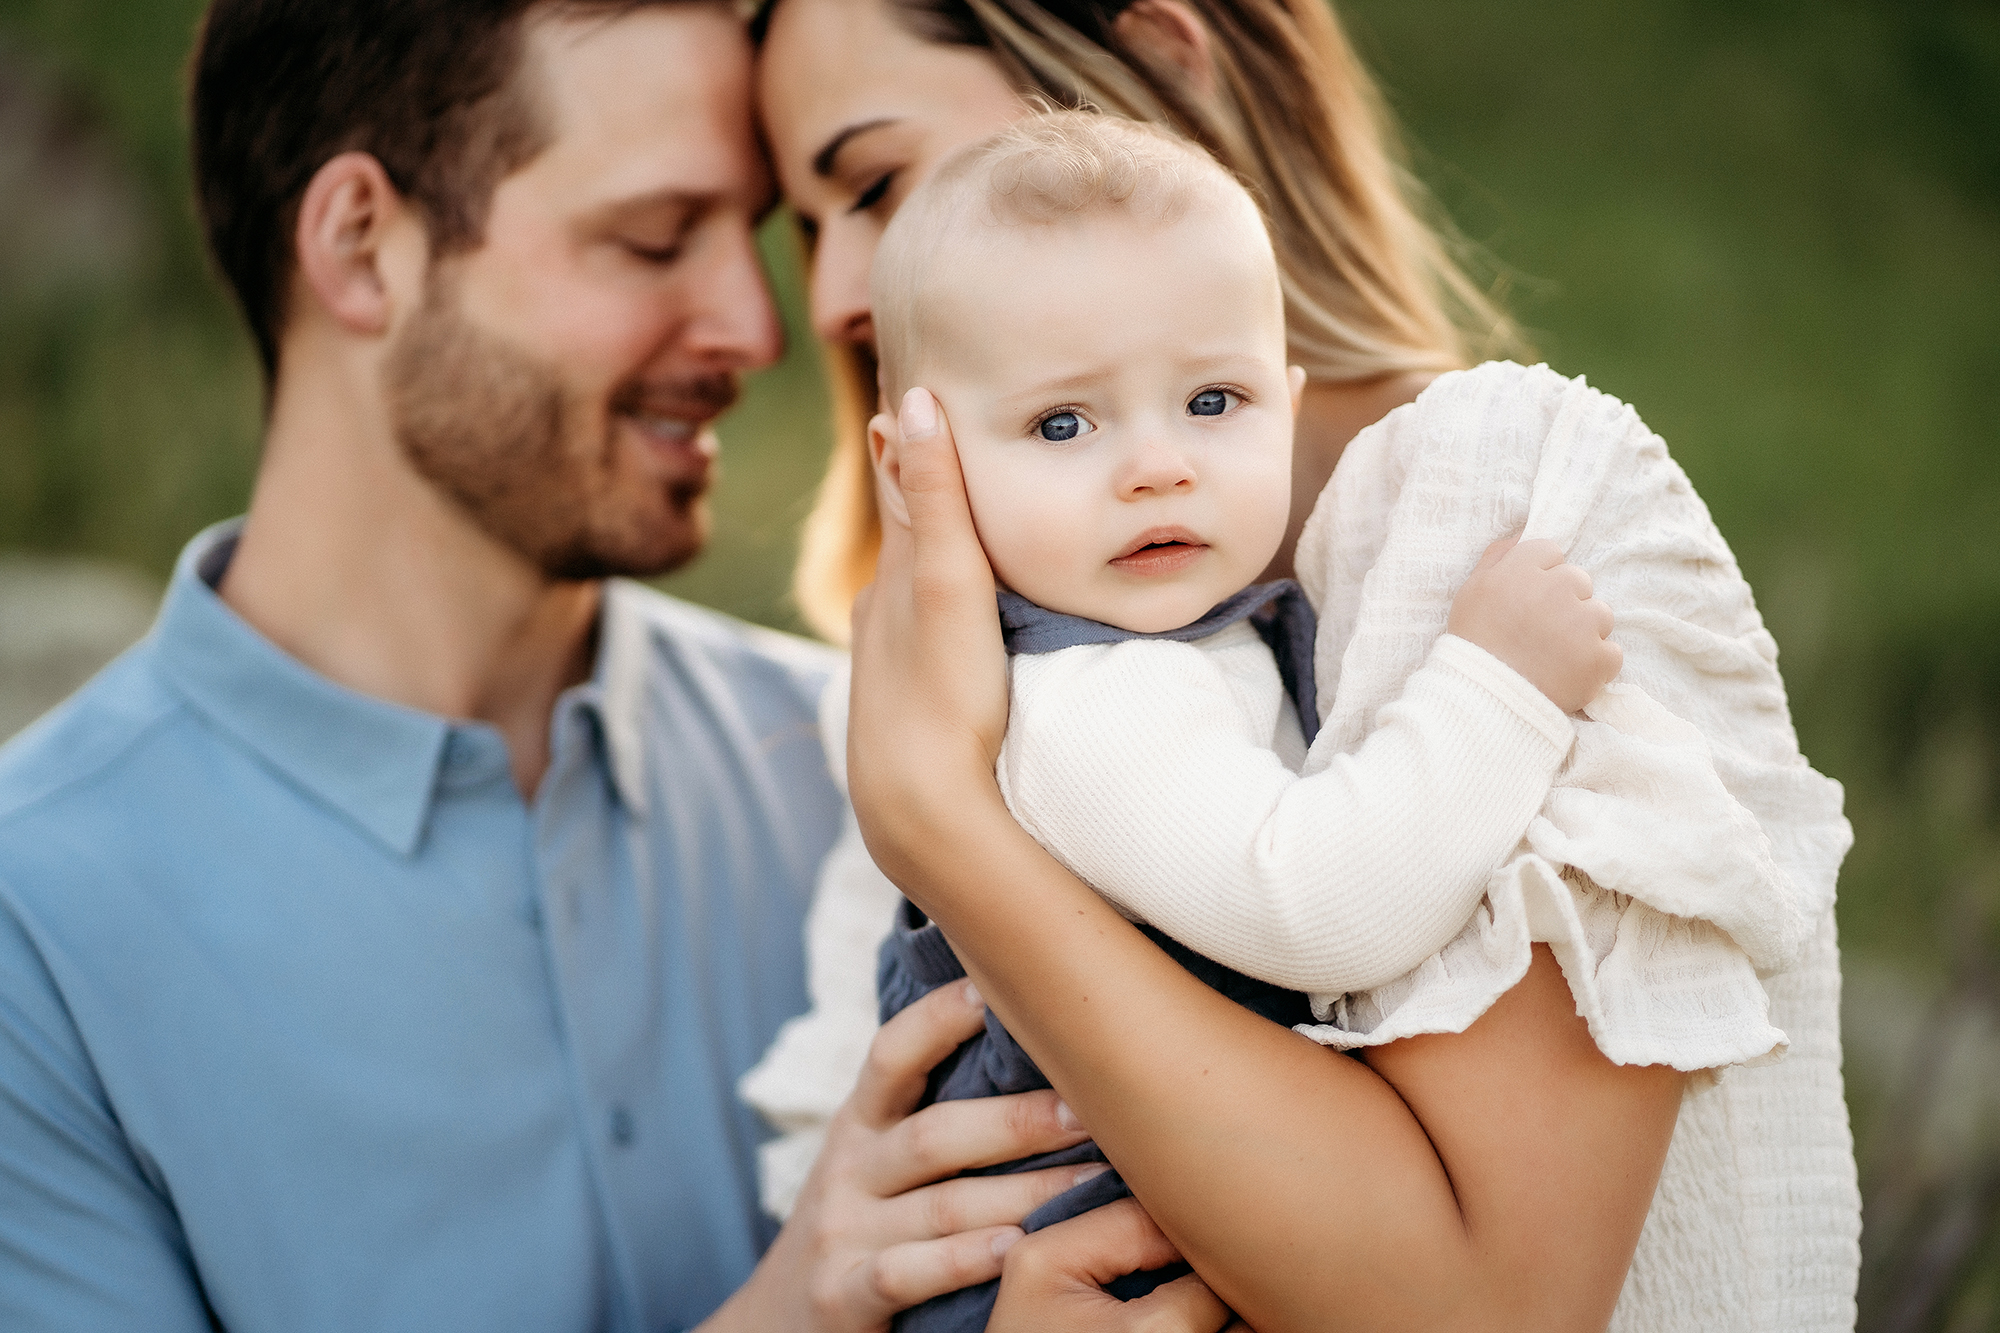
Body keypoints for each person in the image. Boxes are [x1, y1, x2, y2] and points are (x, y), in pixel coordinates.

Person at [0, 2, 1228, 1330]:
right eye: (653, 239)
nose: (762, 330)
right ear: (363, 245)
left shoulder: (878, 764)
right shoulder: (37, 939)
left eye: (756, 235)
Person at [751, 0, 1862, 1327]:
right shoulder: (1050, 687)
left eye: (873, 181)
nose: (821, 295)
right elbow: (1314, 893)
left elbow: (1485, 1299)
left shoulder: (1502, 503)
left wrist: (942, 824)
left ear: (1150, 69)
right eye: (1062, 419)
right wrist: (1492, 689)